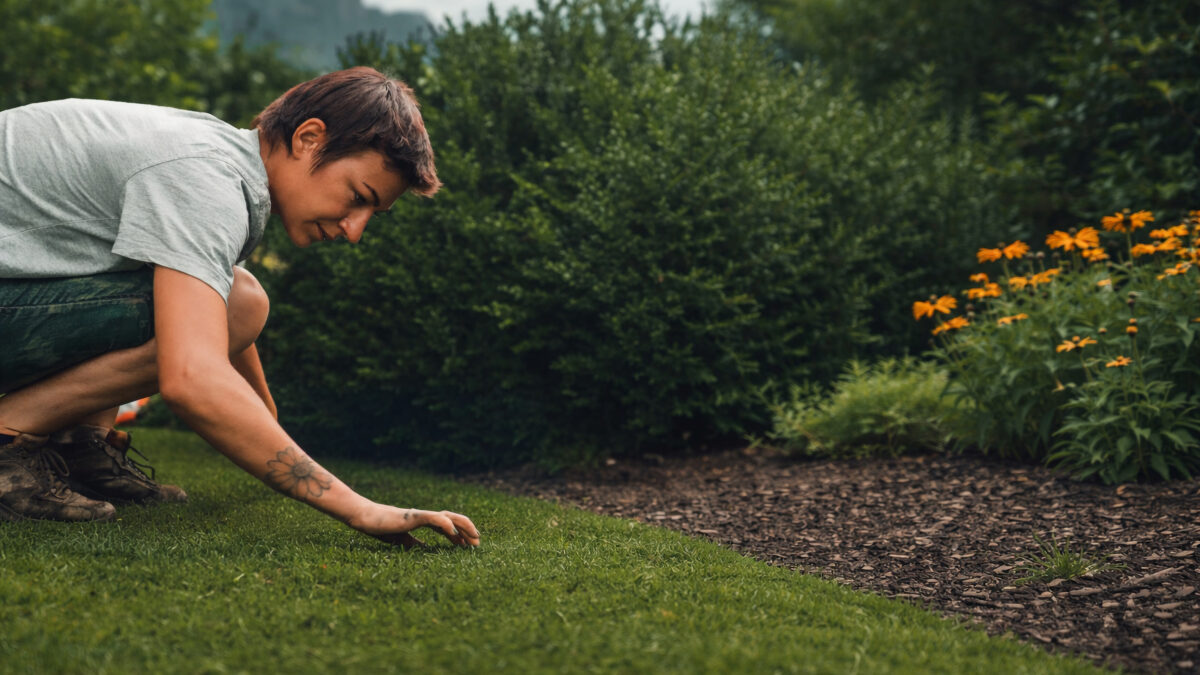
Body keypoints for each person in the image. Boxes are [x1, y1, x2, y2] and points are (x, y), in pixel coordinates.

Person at [0, 67, 481, 549]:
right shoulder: (203, 179)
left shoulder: (221, 162)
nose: (355, 230)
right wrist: (362, 509)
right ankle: (9, 436)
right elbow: (193, 375)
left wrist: (264, 419)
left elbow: (215, 308)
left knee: (234, 294)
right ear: (309, 138)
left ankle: (79, 444)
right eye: (358, 197)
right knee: (243, 302)